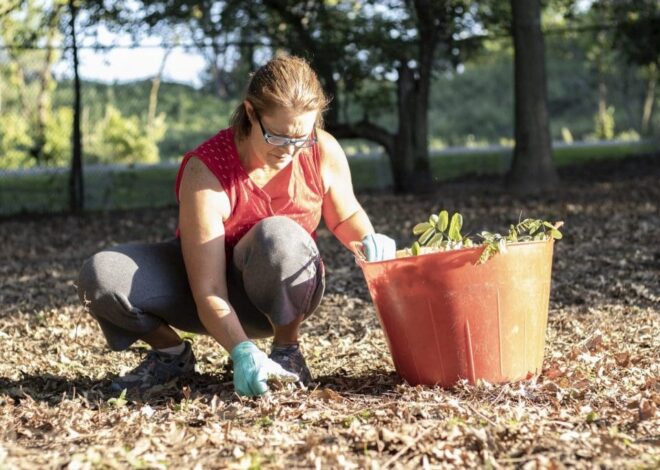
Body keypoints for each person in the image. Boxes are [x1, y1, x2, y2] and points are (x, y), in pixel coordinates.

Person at [77, 55, 396, 397]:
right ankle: (171, 355)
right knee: (103, 275)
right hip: (205, 295)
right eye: (278, 137)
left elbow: (345, 216)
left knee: (280, 235)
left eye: (302, 138)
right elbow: (209, 290)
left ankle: (287, 351)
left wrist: (367, 238)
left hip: (277, 293)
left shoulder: (322, 151)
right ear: (250, 113)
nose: (290, 151)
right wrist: (242, 352)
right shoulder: (207, 171)